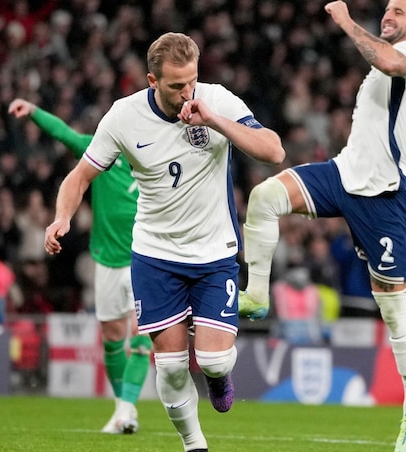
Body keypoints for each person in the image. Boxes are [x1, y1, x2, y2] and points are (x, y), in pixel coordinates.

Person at [43, 32, 284, 452]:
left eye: (191, 80)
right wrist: (61, 217)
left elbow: (274, 151)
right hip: (156, 256)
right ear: (152, 81)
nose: (186, 91)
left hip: (214, 253)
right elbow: (79, 176)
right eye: (176, 85)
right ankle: (195, 445)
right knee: (171, 370)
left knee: (212, 359)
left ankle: (218, 377)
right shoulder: (124, 117)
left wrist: (215, 121)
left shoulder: (217, 101)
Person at [239, 1, 406, 450]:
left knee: (392, 306)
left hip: (383, 196)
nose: (388, 14)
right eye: (386, 8)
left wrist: (346, 21)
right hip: (344, 175)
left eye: (399, 11)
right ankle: (257, 293)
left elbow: (388, 59)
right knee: (264, 197)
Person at [8, 98, 152, 434]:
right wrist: (34, 111)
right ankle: (122, 411)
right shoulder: (97, 152)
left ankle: (128, 408)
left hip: (146, 260)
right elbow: (64, 134)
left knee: (141, 337)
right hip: (106, 261)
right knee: (113, 339)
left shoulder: (152, 158)